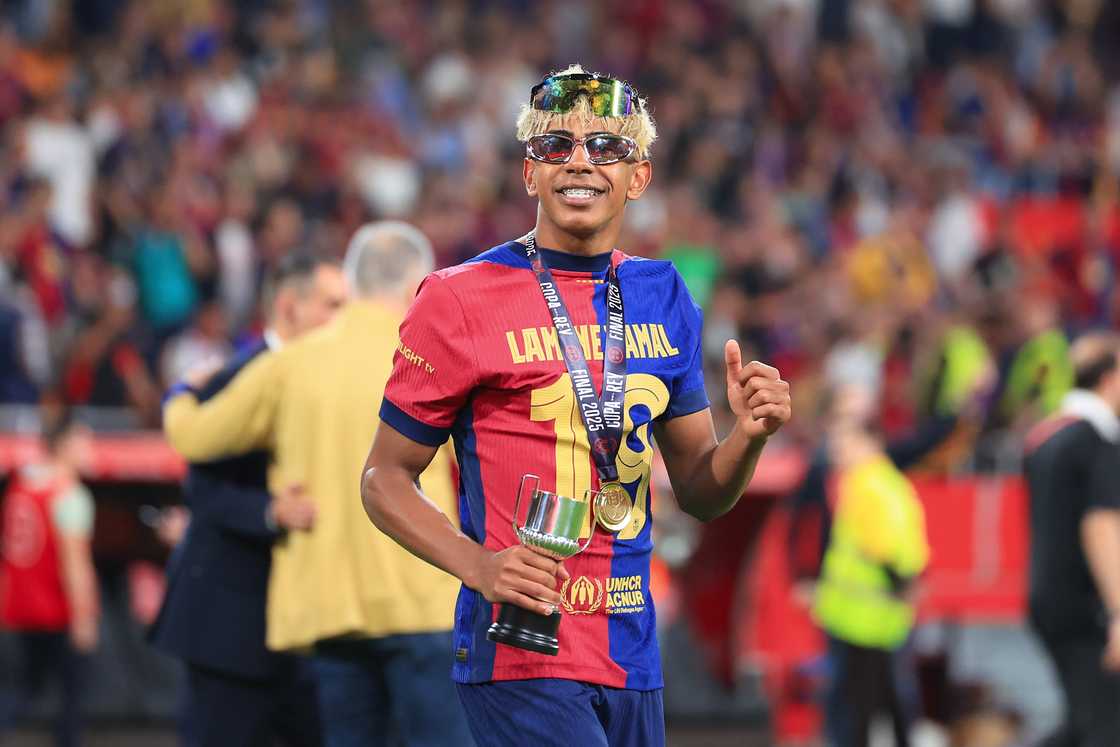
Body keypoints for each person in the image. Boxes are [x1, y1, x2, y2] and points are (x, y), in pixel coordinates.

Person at [360, 66, 792, 747]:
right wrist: (479, 565)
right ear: (529, 172)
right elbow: (382, 478)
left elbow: (703, 491)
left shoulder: (665, 294)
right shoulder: (456, 298)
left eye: (607, 148)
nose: (581, 162)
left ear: (638, 177)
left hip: (631, 651)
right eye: (555, 146)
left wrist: (751, 435)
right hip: (522, 650)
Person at [162, 222, 470, 746]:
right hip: (423, 599)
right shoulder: (436, 356)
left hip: (328, 609)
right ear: (420, 282)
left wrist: (180, 396)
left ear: (352, 280)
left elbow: (195, 437)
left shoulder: (292, 364)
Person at [150, 253, 346, 747]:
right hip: (231, 625)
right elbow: (202, 490)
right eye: (331, 304)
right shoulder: (239, 375)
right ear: (289, 307)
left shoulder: (325, 377)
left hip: (296, 625)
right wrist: (269, 511)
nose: (343, 318)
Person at [810, 385, 930, 747]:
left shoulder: (867, 485)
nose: (836, 450)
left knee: (857, 713)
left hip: (863, 619)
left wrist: (900, 581)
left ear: (867, 442)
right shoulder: (889, 482)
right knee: (887, 705)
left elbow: (885, 547)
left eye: (844, 441)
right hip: (876, 615)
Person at [1024, 332, 1120, 747]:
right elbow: (1099, 526)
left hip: (1046, 597)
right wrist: (1119, 613)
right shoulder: (1097, 442)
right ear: (1111, 379)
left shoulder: (1044, 438)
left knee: (1086, 720)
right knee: (1105, 727)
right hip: (1085, 608)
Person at [0, 409, 99, 747]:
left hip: (18, 608)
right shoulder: (69, 495)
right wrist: (83, 617)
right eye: (83, 442)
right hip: (55, 611)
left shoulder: (21, 485)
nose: (90, 450)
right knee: (71, 697)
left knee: (22, 688)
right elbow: (75, 566)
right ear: (63, 445)